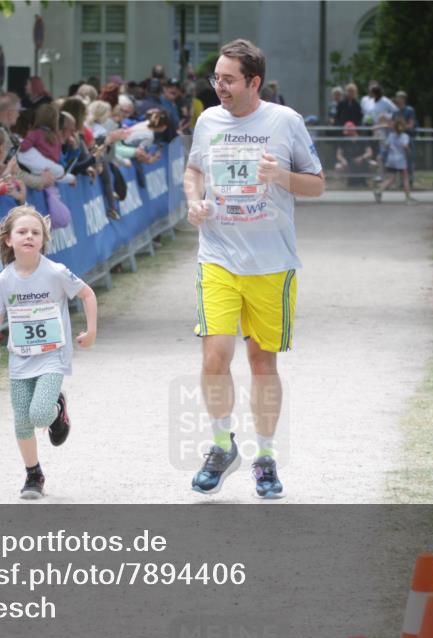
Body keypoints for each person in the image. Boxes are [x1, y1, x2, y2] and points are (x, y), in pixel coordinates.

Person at [184, 39, 324, 499]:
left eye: (228, 79)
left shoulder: (285, 122)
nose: (219, 86)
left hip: (271, 264)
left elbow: (317, 185)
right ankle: (223, 446)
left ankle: (265, 458)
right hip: (219, 256)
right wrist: (194, 202)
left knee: (262, 362)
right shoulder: (208, 121)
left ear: (254, 82)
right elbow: (194, 171)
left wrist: (278, 176)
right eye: (216, 78)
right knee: (213, 357)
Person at [0, 205, 98, 499]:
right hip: (21, 359)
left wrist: (92, 330)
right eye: (22, 232)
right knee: (22, 420)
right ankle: (34, 474)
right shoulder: (4, 280)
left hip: (52, 355)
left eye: (36, 233)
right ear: (9, 240)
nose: (29, 236)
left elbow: (87, 294)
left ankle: (56, 408)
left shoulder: (56, 272)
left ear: (43, 240)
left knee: (38, 413)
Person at [374, 115, 414, 203]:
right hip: (400, 160)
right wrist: (409, 151)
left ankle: (379, 190)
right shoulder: (405, 136)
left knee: (391, 179)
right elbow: (406, 146)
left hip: (391, 159)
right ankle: (408, 198)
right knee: (405, 178)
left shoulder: (391, 135)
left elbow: (386, 146)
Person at [393, 91, 417, 187]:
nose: (397, 100)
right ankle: (401, 182)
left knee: (408, 160)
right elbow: (393, 124)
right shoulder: (396, 111)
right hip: (398, 139)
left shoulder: (410, 110)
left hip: (407, 138)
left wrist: (401, 128)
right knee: (399, 161)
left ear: (403, 99)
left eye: (398, 98)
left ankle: (409, 181)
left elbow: (411, 125)